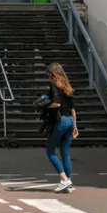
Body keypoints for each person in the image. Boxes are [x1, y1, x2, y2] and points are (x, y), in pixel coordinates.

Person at [45, 62, 79, 192]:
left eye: (49, 73)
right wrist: (75, 125)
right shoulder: (67, 87)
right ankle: (68, 182)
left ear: (52, 74)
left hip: (61, 121)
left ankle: (64, 179)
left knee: (50, 150)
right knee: (65, 153)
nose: (48, 76)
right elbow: (73, 108)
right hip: (70, 120)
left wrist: (46, 105)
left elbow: (56, 104)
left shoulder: (53, 85)